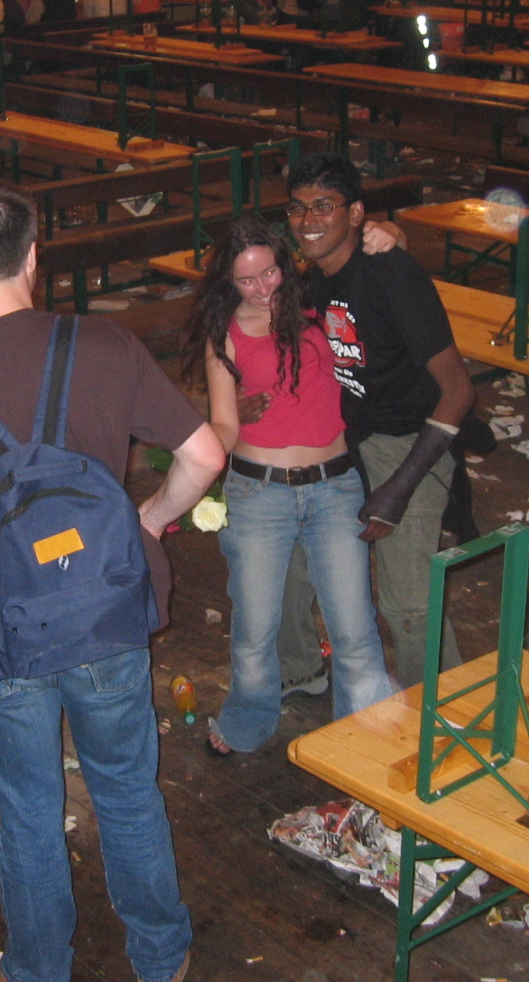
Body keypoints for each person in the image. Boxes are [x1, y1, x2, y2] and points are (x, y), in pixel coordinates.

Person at [0, 184, 221, 982]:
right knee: (127, 791)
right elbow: (205, 455)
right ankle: (160, 956)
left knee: (29, 813)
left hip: (3, 639)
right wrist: (145, 521)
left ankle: (38, 968)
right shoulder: (104, 345)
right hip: (107, 612)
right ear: (34, 256)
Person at [179, 216, 392, 756]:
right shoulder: (224, 335)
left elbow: (367, 262)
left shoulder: (320, 305)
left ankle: (363, 745)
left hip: (335, 487)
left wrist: (392, 233)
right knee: (254, 629)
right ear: (228, 281)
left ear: (287, 264)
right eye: (246, 279)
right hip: (259, 493)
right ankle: (248, 721)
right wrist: (192, 461)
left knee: (355, 629)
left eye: (270, 272)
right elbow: (225, 423)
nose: (262, 288)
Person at [275, 152, 475, 692]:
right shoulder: (317, 275)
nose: (308, 220)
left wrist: (398, 490)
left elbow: (459, 391)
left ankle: (441, 713)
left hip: (410, 442)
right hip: (349, 437)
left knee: (408, 603)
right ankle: (299, 671)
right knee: (286, 555)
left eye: (324, 206)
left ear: (356, 213)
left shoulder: (393, 278)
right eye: (297, 207)